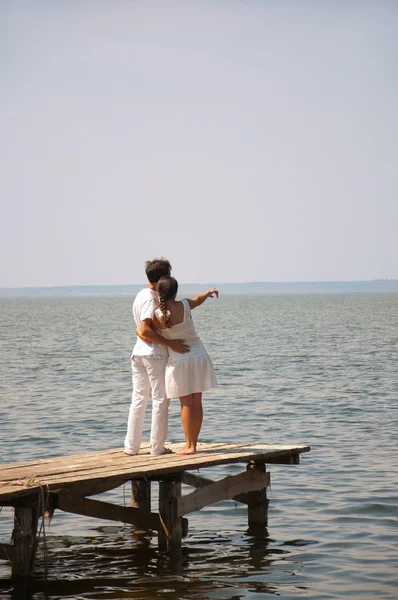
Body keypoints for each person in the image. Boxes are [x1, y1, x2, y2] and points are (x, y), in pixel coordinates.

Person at [124, 259, 189, 456]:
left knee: (139, 399)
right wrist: (171, 344)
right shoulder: (152, 297)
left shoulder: (140, 294)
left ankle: (131, 447)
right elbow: (146, 329)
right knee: (161, 400)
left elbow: (141, 330)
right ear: (162, 277)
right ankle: (157, 447)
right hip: (154, 355)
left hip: (139, 354)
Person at [152, 276, 218, 455]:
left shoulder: (158, 314)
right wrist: (208, 292)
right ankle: (193, 444)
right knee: (197, 401)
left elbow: (147, 332)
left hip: (180, 360)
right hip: (198, 356)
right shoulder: (185, 305)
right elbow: (198, 299)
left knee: (186, 403)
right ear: (175, 292)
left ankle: (189, 446)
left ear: (160, 293)